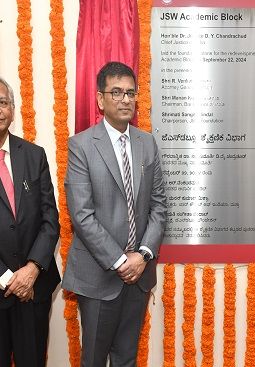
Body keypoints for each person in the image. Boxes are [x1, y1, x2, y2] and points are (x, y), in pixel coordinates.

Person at [62, 61, 167, 367]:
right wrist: (122, 261)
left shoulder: (147, 143)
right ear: (100, 99)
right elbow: (81, 214)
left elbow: (159, 204)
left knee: (126, 359)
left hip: (139, 276)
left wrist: (143, 255)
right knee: (93, 359)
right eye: (117, 92)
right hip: (99, 275)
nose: (125, 99)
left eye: (130, 93)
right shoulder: (81, 145)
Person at [0, 77, 60, 366]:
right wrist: (8, 278)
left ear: (13, 108)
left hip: (34, 289)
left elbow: (50, 218)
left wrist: (33, 268)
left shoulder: (34, 156)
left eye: (2, 102)